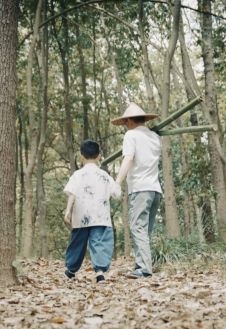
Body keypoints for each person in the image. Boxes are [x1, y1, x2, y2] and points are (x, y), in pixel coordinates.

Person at [113, 103, 162, 278]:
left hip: (140, 188)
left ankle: (144, 268)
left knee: (137, 227)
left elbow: (128, 159)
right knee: (144, 229)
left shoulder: (131, 135)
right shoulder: (155, 137)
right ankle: (141, 264)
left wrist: (117, 182)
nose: (125, 125)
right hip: (155, 189)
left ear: (129, 121)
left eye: (125, 122)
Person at [63, 140, 122, 283]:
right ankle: (100, 271)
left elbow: (72, 193)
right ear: (99, 156)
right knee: (100, 243)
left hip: (80, 217)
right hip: (100, 216)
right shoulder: (104, 175)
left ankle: (71, 270)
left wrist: (68, 211)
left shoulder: (77, 175)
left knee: (77, 243)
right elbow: (117, 194)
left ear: (81, 156)